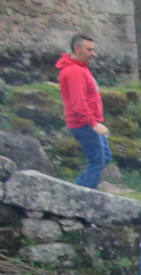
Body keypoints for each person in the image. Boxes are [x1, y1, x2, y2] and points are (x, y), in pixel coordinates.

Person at [55, 33, 112, 189]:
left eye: (93, 50)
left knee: (104, 157)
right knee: (97, 161)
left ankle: (81, 191)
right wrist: (94, 124)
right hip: (84, 123)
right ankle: (79, 195)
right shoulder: (74, 71)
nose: (93, 54)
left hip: (87, 122)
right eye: (89, 50)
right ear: (77, 48)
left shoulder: (80, 68)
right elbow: (78, 103)